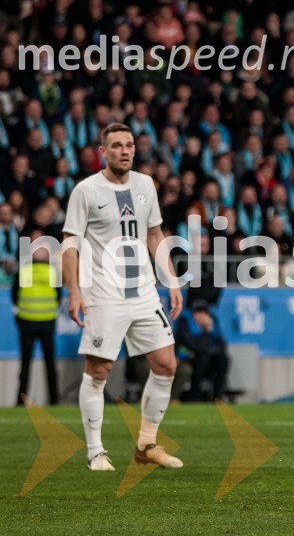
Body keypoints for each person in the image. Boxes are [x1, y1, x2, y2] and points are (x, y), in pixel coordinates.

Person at [62, 123, 184, 472]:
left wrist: (172, 281)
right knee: (99, 370)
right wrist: (74, 291)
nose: (125, 150)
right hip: (104, 294)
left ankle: (146, 445)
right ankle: (95, 452)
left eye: (129, 144)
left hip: (144, 292)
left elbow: (155, 234)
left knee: (166, 364)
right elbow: (70, 243)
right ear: (103, 151)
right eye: (116, 145)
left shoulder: (145, 185)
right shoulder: (86, 190)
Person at [13, 245, 60, 406]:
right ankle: (54, 400)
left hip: (27, 323)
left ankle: (21, 401)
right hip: (47, 323)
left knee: (25, 365)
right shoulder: (53, 272)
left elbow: (14, 295)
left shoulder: (24, 271)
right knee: (50, 365)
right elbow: (58, 296)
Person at [176, 299, 229, 402]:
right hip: (189, 358)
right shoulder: (185, 324)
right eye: (198, 312)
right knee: (202, 358)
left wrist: (209, 349)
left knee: (223, 359)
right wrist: (206, 331)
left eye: (204, 313)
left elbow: (222, 345)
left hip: (208, 359)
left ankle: (217, 395)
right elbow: (196, 347)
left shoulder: (214, 324)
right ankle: (194, 394)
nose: (201, 316)